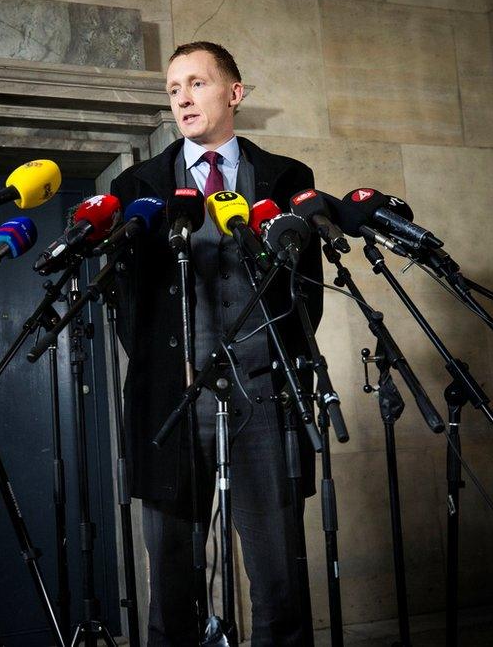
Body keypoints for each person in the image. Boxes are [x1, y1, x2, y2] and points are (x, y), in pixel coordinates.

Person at [110, 41, 322, 646]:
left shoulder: (286, 178)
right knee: (173, 590)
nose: (182, 99)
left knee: (281, 584)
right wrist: (162, 366)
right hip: (175, 407)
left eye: (196, 84)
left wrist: (284, 370)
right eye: (173, 89)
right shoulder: (139, 185)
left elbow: (305, 292)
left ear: (235, 93)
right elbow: (130, 300)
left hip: (265, 399)